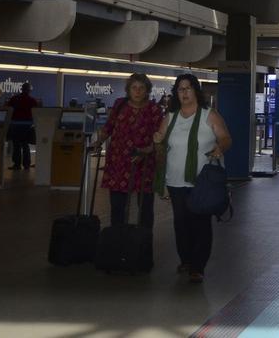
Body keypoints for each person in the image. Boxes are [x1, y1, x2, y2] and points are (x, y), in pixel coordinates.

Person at [153, 74, 232, 284]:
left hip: (201, 181)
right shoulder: (170, 117)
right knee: (181, 223)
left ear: (196, 91)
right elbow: (160, 144)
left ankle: (198, 266)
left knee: (200, 222)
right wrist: (157, 143)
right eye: (180, 89)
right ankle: (185, 259)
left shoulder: (209, 115)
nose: (184, 93)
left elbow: (225, 138)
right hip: (175, 179)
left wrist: (219, 148)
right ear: (175, 93)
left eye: (188, 88)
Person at [91, 74, 163, 228]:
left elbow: (159, 137)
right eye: (134, 88)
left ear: (147, 90)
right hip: (118, 163)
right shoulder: (120, 105)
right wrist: (98, 142)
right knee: (117, 208)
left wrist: (147, 150)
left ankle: (142, 244)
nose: (137, 91)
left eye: (141, 88)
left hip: (144, 163)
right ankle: (118, 240)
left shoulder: (154, 109)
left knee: (145, 209)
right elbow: (109, 127)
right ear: (128, 90)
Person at [5, 82, 40, 170]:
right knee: (25, 145)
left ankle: (17, 164)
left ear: (21, 89)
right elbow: (36, 113)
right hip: (27, 126)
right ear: (29, 90)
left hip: (15, 125)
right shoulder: (33, 100)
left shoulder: (14, 99)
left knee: (16, 146)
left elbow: (8, 110)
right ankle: (26, 164)